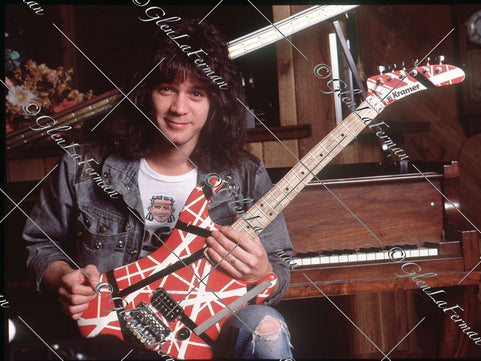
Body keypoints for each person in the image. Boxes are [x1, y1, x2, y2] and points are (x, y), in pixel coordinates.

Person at [23, 19, 293, 359]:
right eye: (166, 89)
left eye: (196, 93)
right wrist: (63, 278)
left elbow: (280, 265)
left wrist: (264, 272)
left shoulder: (244, 174)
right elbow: (38, 243)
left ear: (216, 103)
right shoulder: (84, 166)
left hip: (202, 333)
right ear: (145, 93)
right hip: (110, 330)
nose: (179, 108)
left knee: (266, 325)